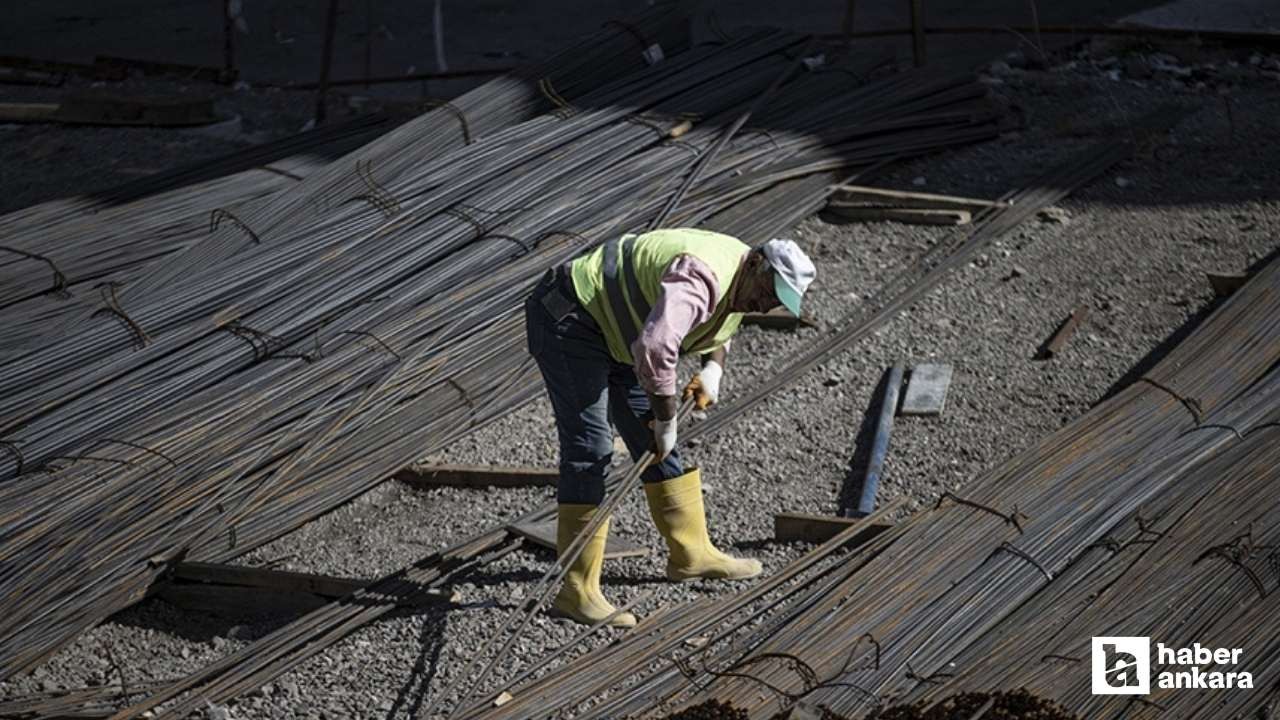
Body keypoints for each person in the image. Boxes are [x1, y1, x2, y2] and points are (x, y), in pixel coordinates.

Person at [523, 227, 816, 627]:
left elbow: (721, 319)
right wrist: (665, 418)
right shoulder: (702, 274)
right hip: (571, 318)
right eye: (768, 293)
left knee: (655, 442)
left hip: (618, 330)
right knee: (590, 448)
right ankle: (577, 591)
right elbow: (657, 347)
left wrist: (713, 368)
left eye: (776, 302)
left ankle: (690, 556)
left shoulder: (741, 277)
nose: (765, 306)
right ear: (756, 263)